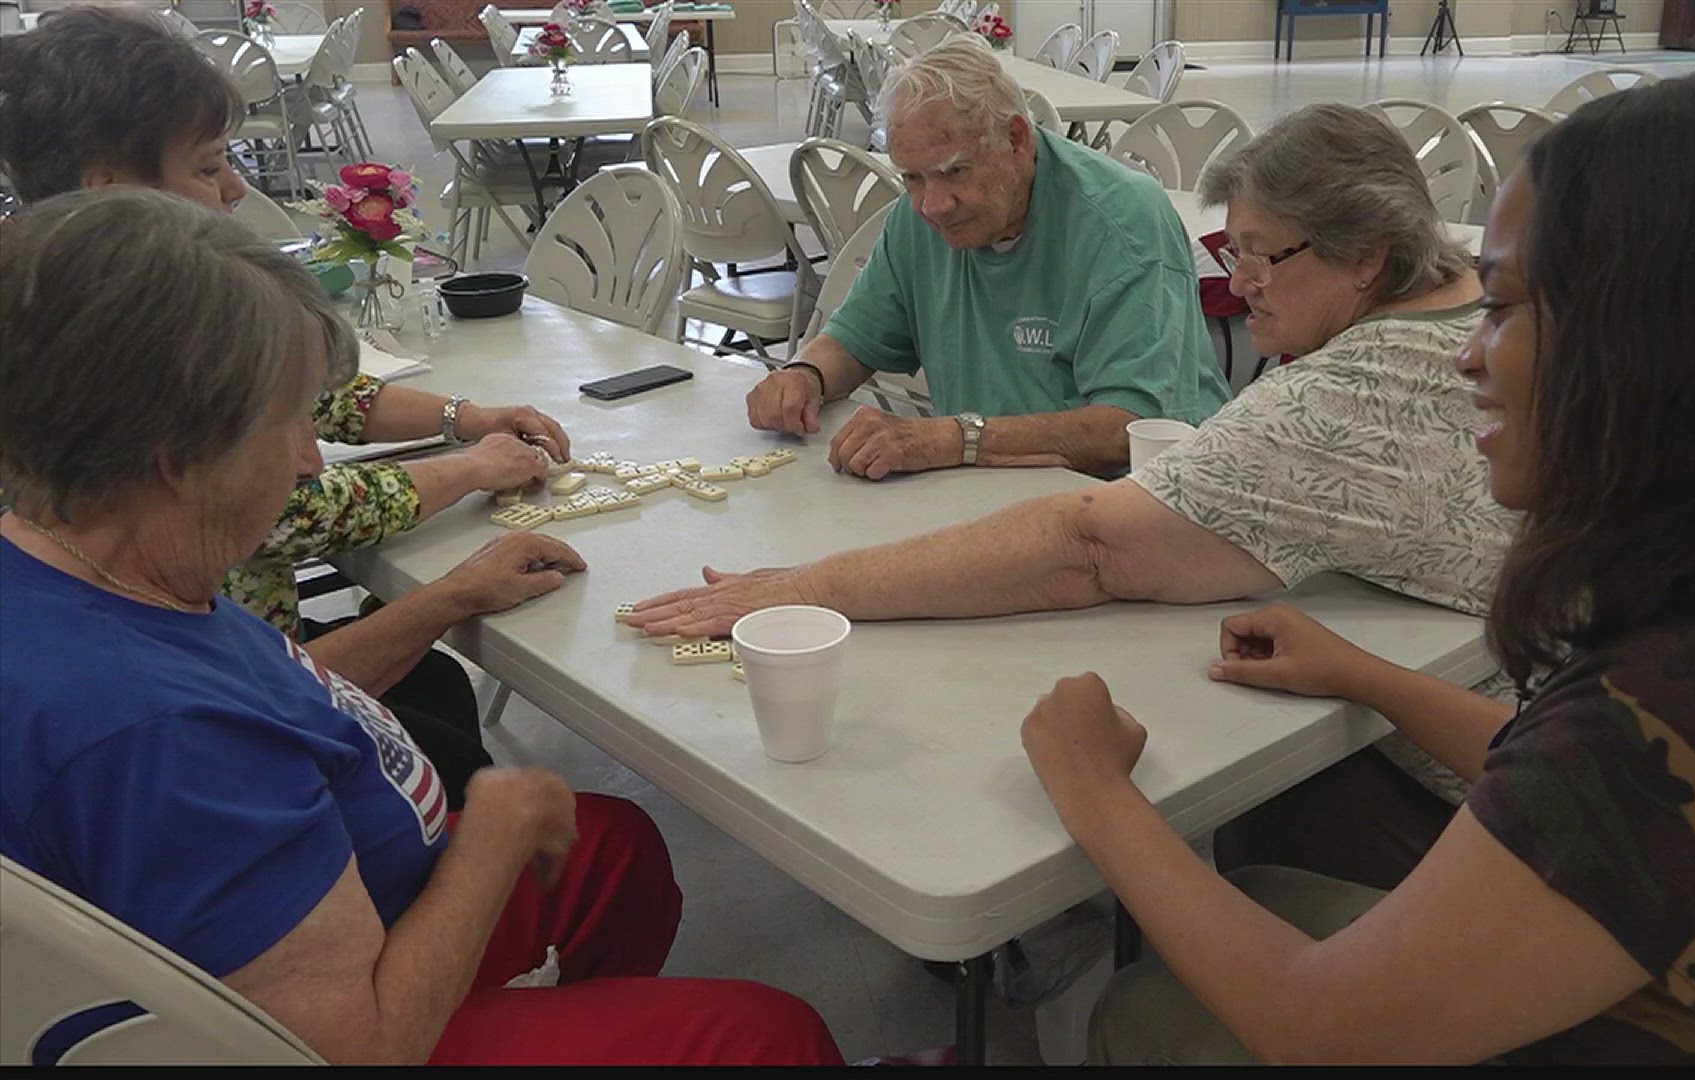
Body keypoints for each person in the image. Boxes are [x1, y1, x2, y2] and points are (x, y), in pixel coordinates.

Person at [1018, 72, 1695, 1064]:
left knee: (1147, 1013)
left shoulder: (1691, 691)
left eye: (1503, 306)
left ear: (1663, 341)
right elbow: (1635, 794)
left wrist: (1091, 784)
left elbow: (1315, 1025)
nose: (1467, 356)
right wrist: (1369, 680)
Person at [0, 188, 843, 1066]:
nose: (307, 459)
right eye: (287, 422)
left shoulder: (82, 559)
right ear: (177, 460)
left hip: (356, 893)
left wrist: (446, 600)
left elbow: (273, 695)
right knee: (768, 1038)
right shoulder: (152, 734)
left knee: (612, 850)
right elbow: (355, 1048)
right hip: (348, 1019)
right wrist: (493, 828)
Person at [632, 103, 1510, 891]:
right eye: (1230, 250)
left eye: (1260, 255)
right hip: (1551, 740)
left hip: (1515, 806)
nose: (1236, 288)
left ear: (1366, 259)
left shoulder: (1344, 395)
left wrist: (809, 587)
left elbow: (1089, 546)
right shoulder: (1489, 306)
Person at [0, 6, 574, 805]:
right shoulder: (107, 334)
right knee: (473, 778)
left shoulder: (77, 277)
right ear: (110, 188)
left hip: (227, 667)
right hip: (223, 693)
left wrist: (462, 417)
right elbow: (292, 508)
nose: (236, 187)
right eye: (207, 167)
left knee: (436, 691)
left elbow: (316, 392)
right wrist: (473, 472)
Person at [746, 35, 1229, 481]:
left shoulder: (1122, 222)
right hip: (986, 488)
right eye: (911, 178)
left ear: (1017, 140)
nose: (931, 205)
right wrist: (805, 374)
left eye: (954, 171)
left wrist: (956, 438)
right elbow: (856, 341)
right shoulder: (919, 219)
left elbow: (1130, 429)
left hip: (1126, 500)